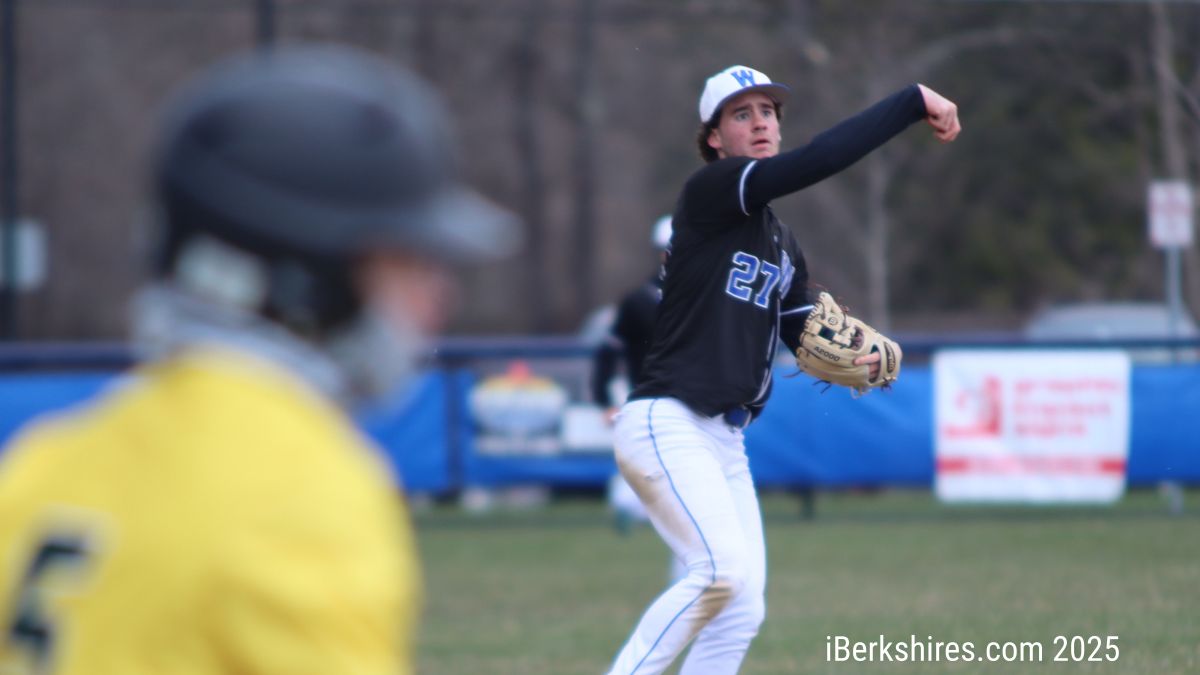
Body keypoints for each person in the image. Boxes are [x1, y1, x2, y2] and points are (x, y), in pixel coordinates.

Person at [0, 45, 517, 675]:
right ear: (307, 277)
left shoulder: (48, 458)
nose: (438, 297)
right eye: (405, 262)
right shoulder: (299, 490)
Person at [605, 65, 959, 674]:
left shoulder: (781, 243)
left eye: (767, 111)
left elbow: (801, 331)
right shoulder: (714, 191)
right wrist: (911, 101)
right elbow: (818, 161)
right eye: (741, 114)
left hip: (724, 440)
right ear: (714, 137)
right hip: (669, 421)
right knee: (720, 573)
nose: (760, 122)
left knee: (742, 609)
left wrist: (860, 355)